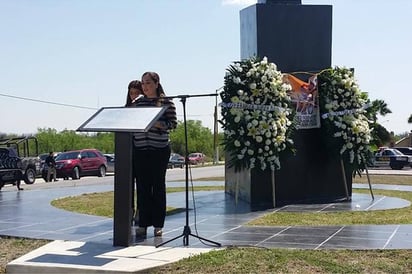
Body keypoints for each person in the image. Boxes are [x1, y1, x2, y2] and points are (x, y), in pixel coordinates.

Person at [133, 72, 177, 237]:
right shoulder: (138, 103)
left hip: (159, 149)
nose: (145, 87)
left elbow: (173, 124)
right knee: (143, 187)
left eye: (148, 83)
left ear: (157, 83)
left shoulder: (166, 102)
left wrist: (156, 123)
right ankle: (142, 223)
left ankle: (158, 224)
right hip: (140, 148)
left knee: (157, 186)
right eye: (143, 83)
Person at [125, 80, 143, 225]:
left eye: (137, 93)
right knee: (128, 184)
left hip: (142, 150)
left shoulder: (146, 109)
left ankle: (140, 211)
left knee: (142, 185)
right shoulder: (126, 110)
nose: (134, 96)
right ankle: (128, 211)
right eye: (131, 93)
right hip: (127, 151)